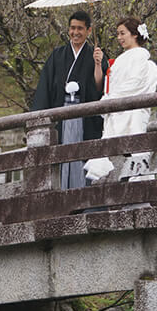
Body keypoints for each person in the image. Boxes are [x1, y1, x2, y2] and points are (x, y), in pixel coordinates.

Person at [30, 10, 108, 188]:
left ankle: (84, 192)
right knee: (61, 154)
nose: (76, 32)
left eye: (80, 28)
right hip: (61, 114)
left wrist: (98, 64)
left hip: (85, 116)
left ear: (89, 31)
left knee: (84, 156)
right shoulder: (57, 55)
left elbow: (98, 88)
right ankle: (63, 192)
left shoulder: (95, 55)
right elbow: (46, 87)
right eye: (72, 28)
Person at [85, 16, 157, 182]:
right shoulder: (123, 58)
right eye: (118, 34)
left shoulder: (140, 57)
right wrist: (99, 65)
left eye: (122, 33)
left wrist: (110, 99)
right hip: (117, 108)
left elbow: (133, 84)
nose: (119, 38)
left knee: (133, 149)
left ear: (134, 35)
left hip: (128, 109)